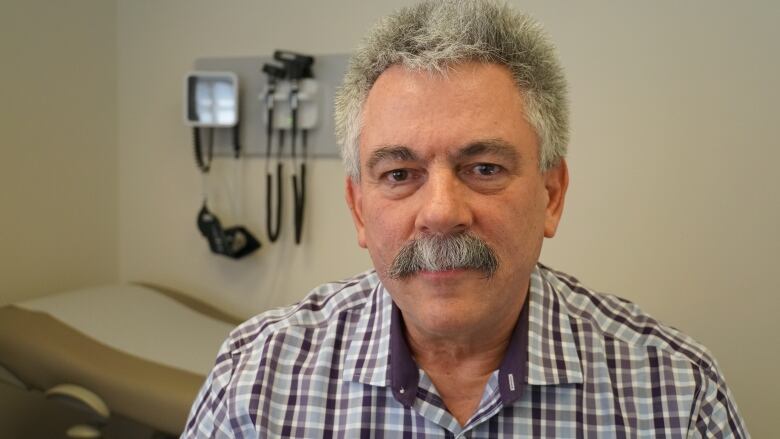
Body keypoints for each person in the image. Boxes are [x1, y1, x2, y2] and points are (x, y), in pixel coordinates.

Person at [182, 0, 748, 437]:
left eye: (483, 167)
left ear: (552, 194)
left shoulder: (674, 394)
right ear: (358, 208)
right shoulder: (257, 381)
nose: (441, 213)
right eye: (400, 174)